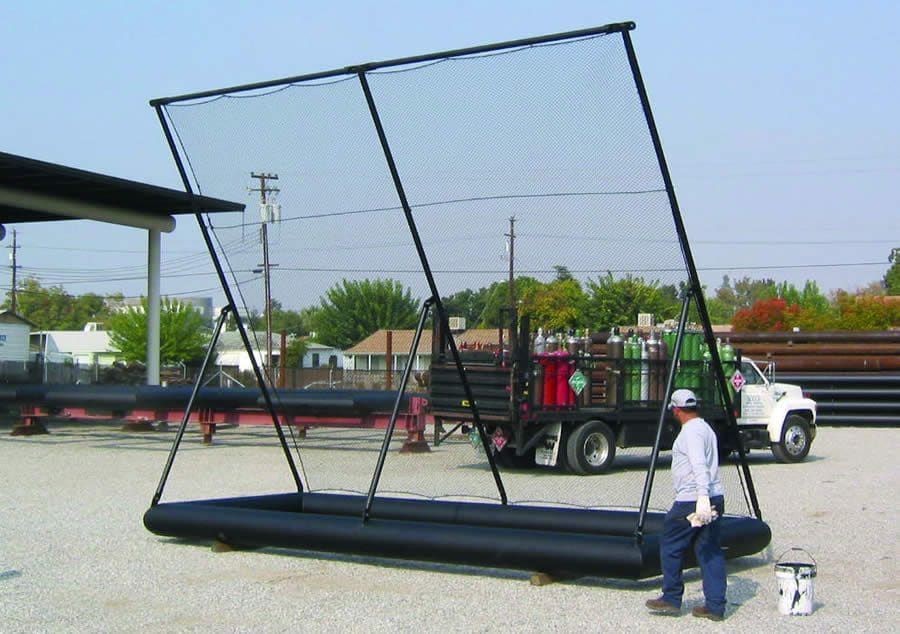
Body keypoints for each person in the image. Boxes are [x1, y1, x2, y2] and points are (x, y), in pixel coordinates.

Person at [646, 388, 726, 621]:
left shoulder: (690, 433)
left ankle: (671, 598)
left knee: (670, 543)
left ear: (676, 409)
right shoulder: (706, 428)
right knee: (709, 550)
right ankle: (715, 606)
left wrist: (702, 497)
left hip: (692, 500)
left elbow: (699, 464)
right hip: (715, 496)